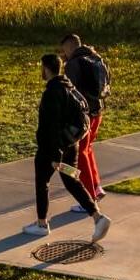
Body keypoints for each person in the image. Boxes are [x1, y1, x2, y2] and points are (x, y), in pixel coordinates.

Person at [23, 53, 111, 242]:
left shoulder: (52, 93)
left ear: (46, 68)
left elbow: (51, 125)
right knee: (72, 182)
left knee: (42, 183)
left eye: (42, 68)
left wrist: (55, 156)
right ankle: (98, 217)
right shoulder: (69, 87)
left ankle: (41, 224)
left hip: (51, 151)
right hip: (72, 146)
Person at [59, 33, 110, 207]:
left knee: (80, 153)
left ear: (70, 46)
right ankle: (96, 188)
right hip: (98, 111)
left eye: (64, 49)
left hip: (84, 116)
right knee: (87, 150)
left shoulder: (74, 64)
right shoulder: (95, 57)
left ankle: (88, 198)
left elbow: (71, 94)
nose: (63, 54)